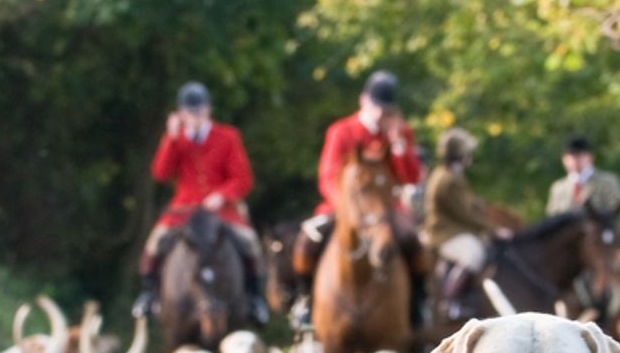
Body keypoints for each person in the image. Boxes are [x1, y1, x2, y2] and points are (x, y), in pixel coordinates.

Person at [288, 70, 427, 328]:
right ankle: (305, 301)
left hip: (386, 208)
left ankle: (418, 303)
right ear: (363, 100)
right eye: (375, 106)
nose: (379, 114)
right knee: (307, 241)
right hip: (343, 205)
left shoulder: (400, 132)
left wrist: (399, 148)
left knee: (412, 240)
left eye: (384, 109)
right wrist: (345, 206)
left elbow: (410, 177)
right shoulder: (342, 131)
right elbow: (328, 175)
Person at [134, 81, 268, 323]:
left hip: (222, 210)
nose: (195, 117)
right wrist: (171, 140)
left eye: (199, 111)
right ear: (181, 114)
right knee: (154, 243)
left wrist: (222, 195)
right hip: (184, 210)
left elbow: (243, 179)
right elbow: (161, 174)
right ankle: (148, 296)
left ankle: (256, 299)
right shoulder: (175, 140)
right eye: (189, 112)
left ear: (208, 110)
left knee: (250, 243)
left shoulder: (228, 137)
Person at [421, 127, 510, 321]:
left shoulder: (453, 175)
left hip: (454, 229)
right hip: (443, 233)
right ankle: (451, 302)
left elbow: (468, 205)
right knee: (473, 253)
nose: (470, 156)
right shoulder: (448, 180)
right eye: (467, 152)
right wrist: (494, 230)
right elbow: (464, 214)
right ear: (459, 154)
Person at [545, 135, 620, 237]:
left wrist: (609, 234)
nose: (575, 161)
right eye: (571, 157)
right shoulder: (558, 188)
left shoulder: (607, 182)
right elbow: (552, 218)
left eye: (579, 156)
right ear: (564, 160)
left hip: (598, 243)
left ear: (590, 157)